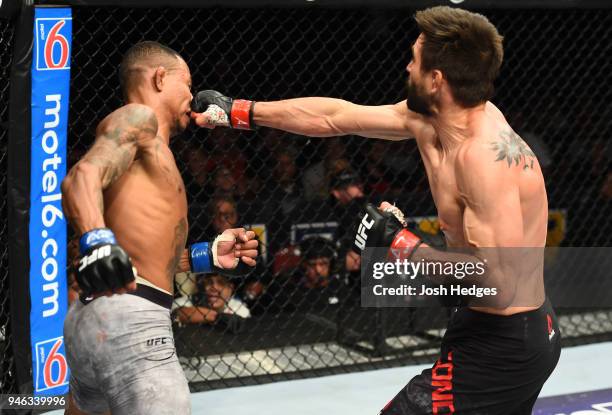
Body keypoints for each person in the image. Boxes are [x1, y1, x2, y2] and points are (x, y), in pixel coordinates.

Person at [191, 6, 560, 414]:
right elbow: (337, 117)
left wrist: (401, 244)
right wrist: (241, 111)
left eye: (415, 60)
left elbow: (499, 279)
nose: (406, 66)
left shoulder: (482, 159)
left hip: (504, 342)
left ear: (436, 80)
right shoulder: (431, 119)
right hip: (492, 330)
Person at [61, 41, 258, 415]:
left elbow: (144, 259)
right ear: (159, 77)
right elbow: (81, 176)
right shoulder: (139, 118)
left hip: (98, 316)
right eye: (188, 84)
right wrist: (97, 241)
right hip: (133, 321)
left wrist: (207, 256)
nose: (194, 97)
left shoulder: (155, 151)